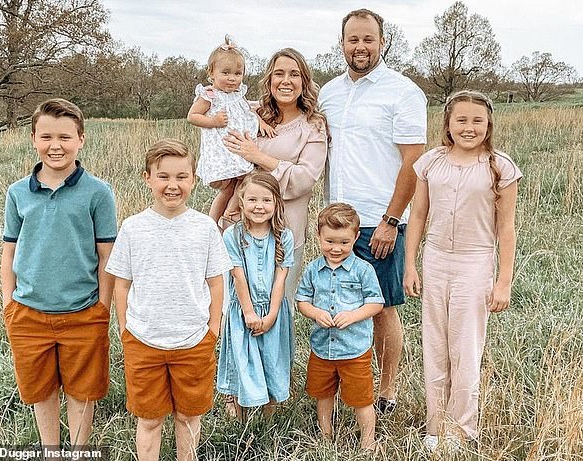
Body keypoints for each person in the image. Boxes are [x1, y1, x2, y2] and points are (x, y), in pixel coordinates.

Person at [318, 8, 427, 413]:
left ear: (383, 43)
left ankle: (386, 393)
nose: (360, 47)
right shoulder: (328, 93)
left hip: (379, 222)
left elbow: (412, 162)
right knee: (339, 305)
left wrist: (391, 221)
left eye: (368, 39)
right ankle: (349, 384)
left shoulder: (402, 92)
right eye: (353, 39)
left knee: (381, 307)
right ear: (342, 43)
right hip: (336, 222)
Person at [403, 90, 522, 450]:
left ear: (488, 125)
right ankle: (436, 427)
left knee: (465, 347)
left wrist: (503, 282)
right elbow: (419, 216)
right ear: (448, 124)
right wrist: (410, 264)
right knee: (435, 345)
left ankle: (461, 429)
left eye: (477, 121)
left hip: (475, 262)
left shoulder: (499, 167)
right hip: (436, 260)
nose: (469, 128)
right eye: (462, 120)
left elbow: (506, 229)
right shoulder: (430, 163)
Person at [1, 98, 117, 450]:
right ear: (34, 138)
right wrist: (9, 305)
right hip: (29, 312)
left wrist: (102, 308)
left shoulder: (98, 192)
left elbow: (106, 255)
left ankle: (79, 453)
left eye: (65, 137)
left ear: (81, 139)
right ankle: (51, 452)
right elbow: (9, 253)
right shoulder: (18, 193)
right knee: (42, 390)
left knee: (82, 392)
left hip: (83, 312)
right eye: (47, 136)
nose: (56, 146)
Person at [105, 139, 231, 461]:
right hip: (144, 340)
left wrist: (212, 330)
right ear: (148, 178)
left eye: (181, 177)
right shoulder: (133, 228)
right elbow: (122, 284)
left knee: (189, 416)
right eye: (163, 176)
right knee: (149, 418)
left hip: (193, 341)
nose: (172, 185)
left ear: (192, 179)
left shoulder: (205, 228)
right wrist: (125, 331)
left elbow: (217, 283)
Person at [223, 47, 328, 305]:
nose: (286, 80)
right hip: (241, 226)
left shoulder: (313, 126)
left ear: (304, 82)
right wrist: (228, 53)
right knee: (238, 304)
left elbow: (304, 179)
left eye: (294, 74)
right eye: (279, 73)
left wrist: (257, 156)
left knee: (277, 307)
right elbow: (213, 98)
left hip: (285, 231)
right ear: (269, 80)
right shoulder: (251, 113)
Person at [296, 203, 384, 449]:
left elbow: (376, 302)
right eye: (330, 241)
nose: (336, 249)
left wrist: (354, 315)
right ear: (319, 235)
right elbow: (302, 300)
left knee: (361, 398)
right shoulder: (314, 270)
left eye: (344, 242)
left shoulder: (363, 270)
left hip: (354, 349)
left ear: (356, 237)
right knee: (323, 394)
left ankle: (368, 441)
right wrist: (315, 313)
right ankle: (325, 434)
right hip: (323, 348)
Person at [217, 172, 295, 418]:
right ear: (241, 202)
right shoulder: (233, 236)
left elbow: (281, 278)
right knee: (243, 361)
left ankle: (268, 421)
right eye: (252, 200)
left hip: (273, 309)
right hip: (244, 310)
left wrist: (271, 314)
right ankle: (238, 419)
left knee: (272, 361)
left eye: (266, 200)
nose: (259, 206)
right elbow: (237, 276)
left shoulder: (285, 236)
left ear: (276, 204)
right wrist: (249, 313)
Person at [187, 35, 274, 227]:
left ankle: (228, 214)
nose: (232, 78)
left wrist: (262, 124)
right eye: (225, 73)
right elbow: (192, 116)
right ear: (211, 73)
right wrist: (213, 121)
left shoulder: (238, 95)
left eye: (237, 73)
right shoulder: (210, 95)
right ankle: (215, 221)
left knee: (242, 181)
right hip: (223, 150)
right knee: (231, 186)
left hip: (238, 150)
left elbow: (248, 113)